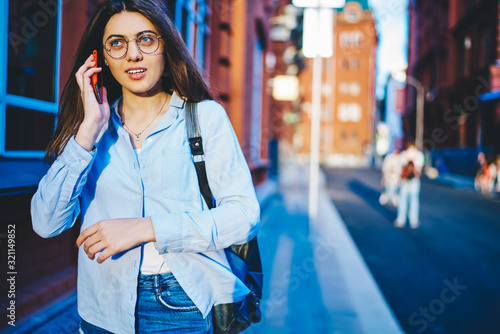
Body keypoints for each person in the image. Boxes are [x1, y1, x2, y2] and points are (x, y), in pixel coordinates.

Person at [30, 1, 260, 333]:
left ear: (165, 46)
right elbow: (46, 223)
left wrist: (147, 228)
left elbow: (243, 216)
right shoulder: (90, 131)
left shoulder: (204, 117)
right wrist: (87, 133)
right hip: (102, 307)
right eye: (117, 43)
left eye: (146, 39)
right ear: (102, 58)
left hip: (181, 304)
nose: (133, 54)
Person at [395, 142, 424, 229]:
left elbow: (399, 165)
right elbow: (420, 165)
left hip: (405, 180)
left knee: (403, 199)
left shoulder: (404, 154)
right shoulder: (418, 155)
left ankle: (401, 219)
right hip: (413, 180)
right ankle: (413, 220)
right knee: (413, 200)